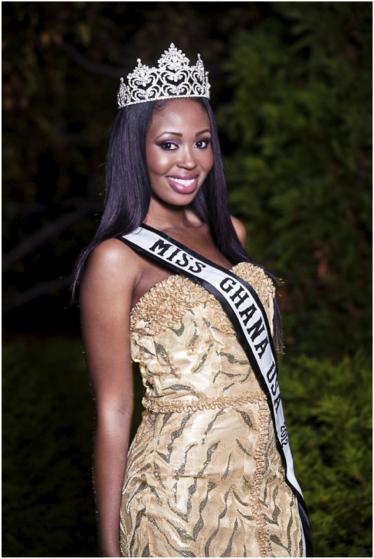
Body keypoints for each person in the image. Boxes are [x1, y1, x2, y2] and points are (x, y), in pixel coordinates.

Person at [73, 43, 312, 557]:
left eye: (202, 142)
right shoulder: (117, 259)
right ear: (137, 150)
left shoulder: (230, 232)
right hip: (175, 497)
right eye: (169, 143)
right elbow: (114, 410)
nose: (189, 160)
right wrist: (110, 547)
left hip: (265, 487)